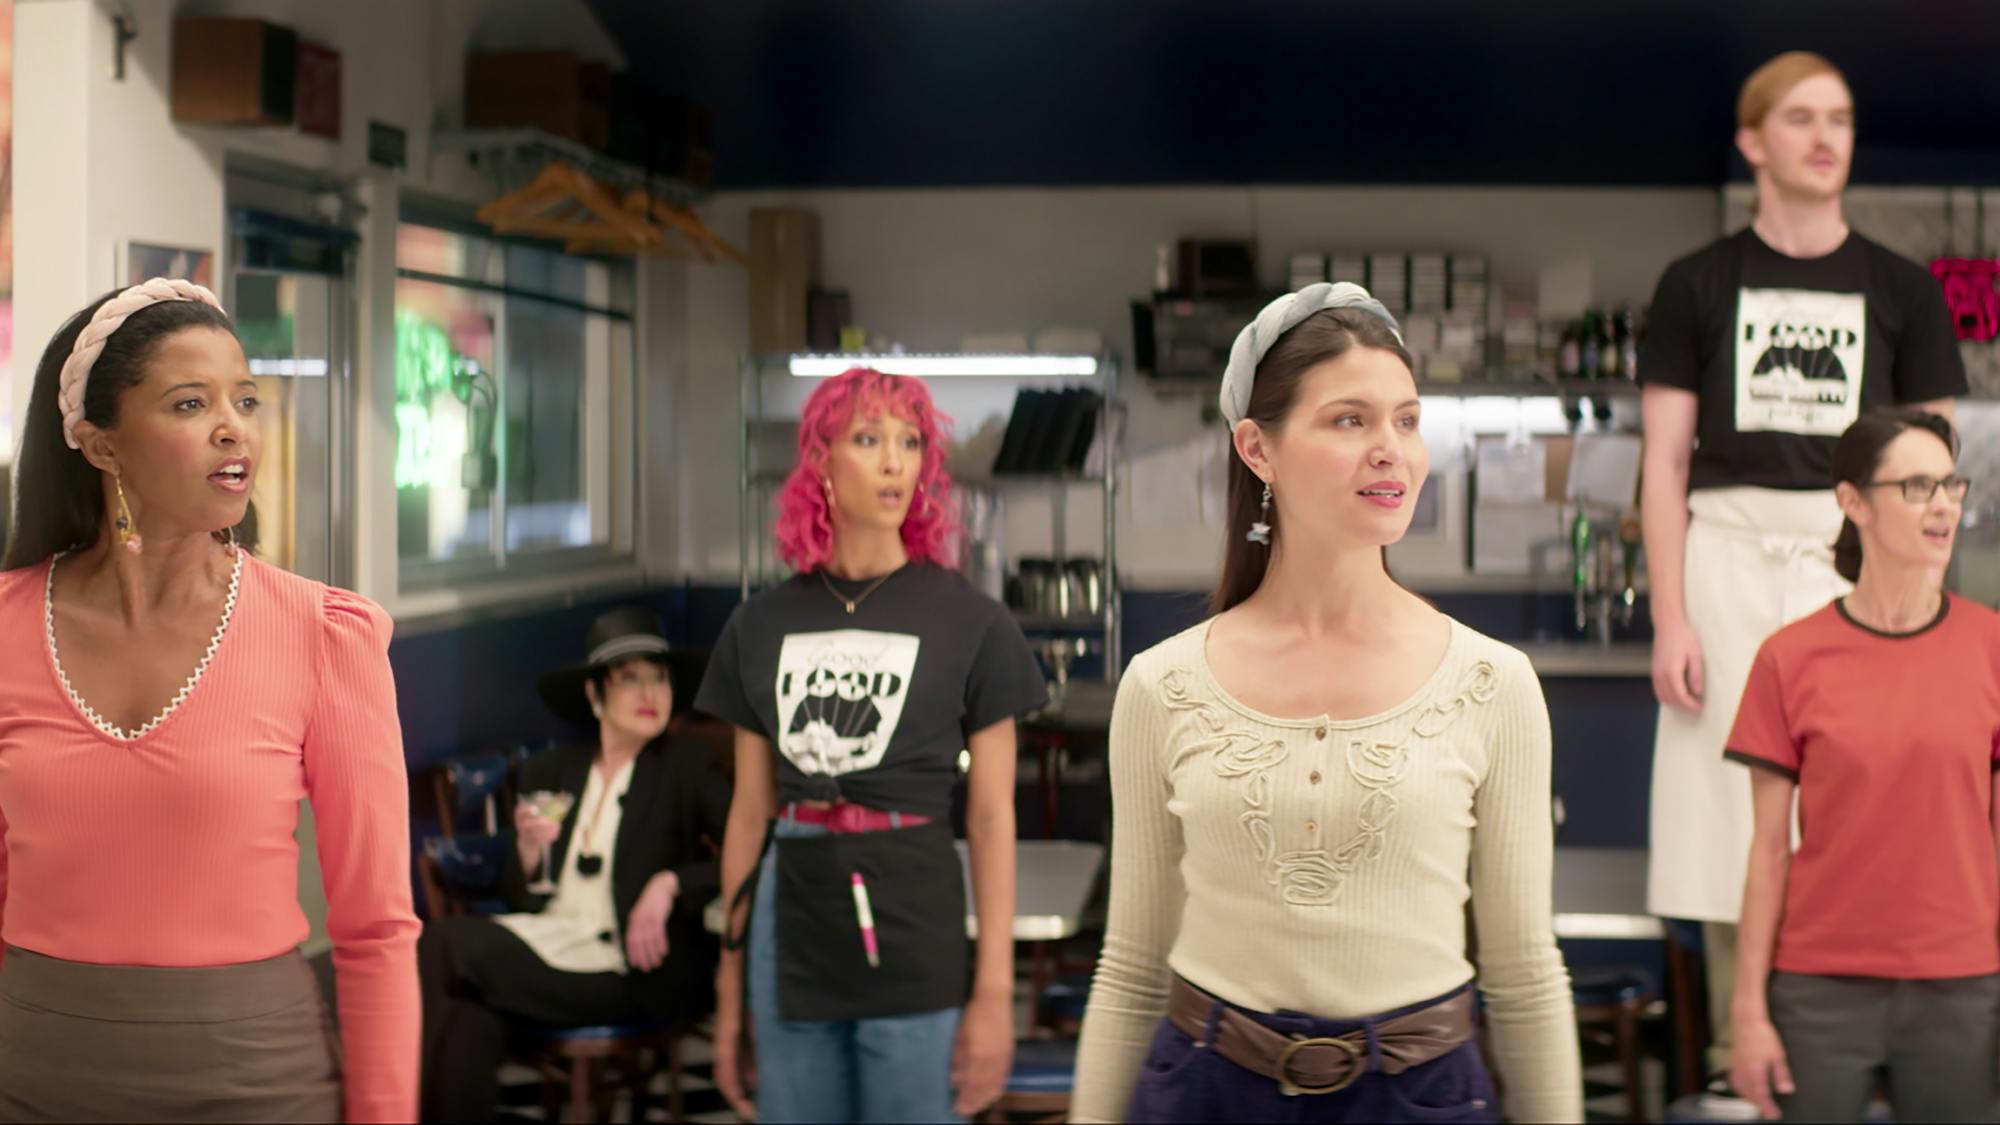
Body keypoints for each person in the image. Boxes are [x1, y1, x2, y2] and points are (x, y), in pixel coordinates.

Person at [1072, 283, 1581, 1124]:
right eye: (1350, 420)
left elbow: (1525, 973)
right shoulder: (1162, 685)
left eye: (1407, 420)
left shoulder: (1493, 683)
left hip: (1424, 1096)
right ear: (1257, 449)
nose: (1392, 449)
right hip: (1207, 1091)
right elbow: (1130, 970)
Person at [0, 280, 418, 1122]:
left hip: (253, 1080)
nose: (235, 427)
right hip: (33, 1075)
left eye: (247, 399)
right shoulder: (6, 625)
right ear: (100, 444)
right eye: (191, 403)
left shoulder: (322, 633)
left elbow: (376, 930)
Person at [1637, 50, 1968, 1104]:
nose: (1825, 137)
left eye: (1840, 119)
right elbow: (1661, 465)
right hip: (1723, 564)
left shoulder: (1903, 291)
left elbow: (1927, 479)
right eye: (1799, 119)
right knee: (1729, 821)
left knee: (1875, 808)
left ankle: (1876, 1066)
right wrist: (1669, 619)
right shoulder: (1693, 284)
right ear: (1751, 143)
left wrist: (1922, 618)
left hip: (1853, 574)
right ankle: (1748, 1067)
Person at [695, 366, 1047, 1124]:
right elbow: (748, 815)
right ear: (820, 461)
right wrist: (730, 994)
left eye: (910, 441)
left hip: (914, 910)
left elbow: (990, 821)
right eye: (867, 438)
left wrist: (993, 995)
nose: (895, 460)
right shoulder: (758, 625)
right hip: (789, 917)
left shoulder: (973, 622)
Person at [1726, 409, 1999, 1123]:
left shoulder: (1992, 645)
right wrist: (1748, 1009)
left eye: (1950, 484)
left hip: (1963, 986)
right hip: (1819, 990)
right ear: (1853, 503)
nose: (1943, 504)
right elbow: (1766, 855)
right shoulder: (1788, 658)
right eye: (1916, 486)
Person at [418, 606, 731, 1122]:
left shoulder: (686, 767)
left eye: (659, 679)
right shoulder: (552, 770)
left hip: (631, 970)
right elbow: (525, 898)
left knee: (442, 945)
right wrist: (529, 850)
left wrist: (670, 883)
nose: (650, 694)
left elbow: (754, 848)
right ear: (595, 695)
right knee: (469, 1020)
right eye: (630, 680)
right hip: (553, 946)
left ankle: (378, 1105)